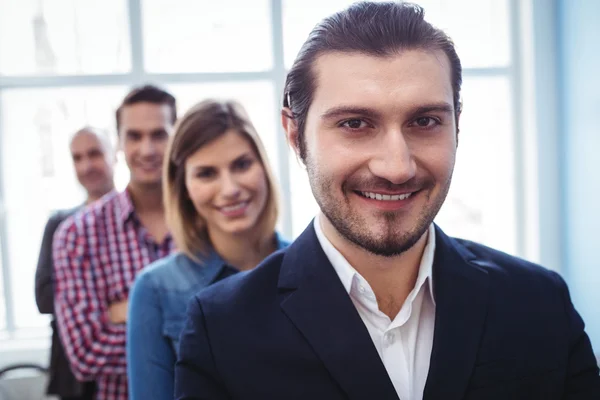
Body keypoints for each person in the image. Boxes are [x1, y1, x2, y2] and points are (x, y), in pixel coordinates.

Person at [174, 2, 600, 400]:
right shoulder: (222, 331)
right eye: (355, 123)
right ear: (294, 135)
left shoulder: (540, 303)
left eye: (426, 121)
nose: (397, 167)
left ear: (456, 127)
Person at [126, 99, 289, 399]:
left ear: (263, 167)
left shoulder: (311, 266)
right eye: (206, 173)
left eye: (241, 165)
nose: (229, 189)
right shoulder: (156, 290)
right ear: (184, 187)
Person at [53, 85, 177, 400]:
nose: (147, 149)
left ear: (177, 137)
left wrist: (132, 313)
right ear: (119, 143)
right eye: (134, 136)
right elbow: (86, 353)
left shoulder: (211, 222)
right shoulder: (78, 234)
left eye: (159, 135)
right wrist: (191, 326)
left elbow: (235, 332)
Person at [35, 127, 115, 400]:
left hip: (126, 366)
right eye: (77, 158)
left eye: (95, 154)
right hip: (74, 376)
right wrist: (113, 307)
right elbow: (44, 297)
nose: (86, 165)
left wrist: (84, 300)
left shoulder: (138, 222)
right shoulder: (61, 225)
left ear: (114, 155)